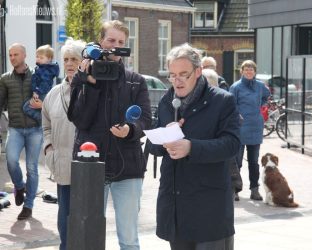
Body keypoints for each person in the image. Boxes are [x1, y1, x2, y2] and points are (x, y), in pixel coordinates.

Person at [67, 20, 152, 250]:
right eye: (111, 40)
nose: (115, 46)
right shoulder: (83, 76)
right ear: (100, 42)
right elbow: (79, 119)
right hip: (91, 167)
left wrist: (130, 130)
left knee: (128, 238)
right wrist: (90, 85)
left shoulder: (136, 81)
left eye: (121, 42)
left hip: (128, 167)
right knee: (88, 236)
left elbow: (145, 119)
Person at [150, 43, 241, 250]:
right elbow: (154, 148)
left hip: (209, 208)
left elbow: (232, 145)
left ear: (198, 72)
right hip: (176, 206)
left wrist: (191, 147)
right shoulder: (167, 101)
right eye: (172, 75)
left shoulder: (222, 101)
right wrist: (166, 136)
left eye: (183, 74)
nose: (177, 81)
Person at [41, 38, 85, 250]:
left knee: (86, 223)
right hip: (63, 167)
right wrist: (49, 149)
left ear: (83, 61)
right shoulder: (53, 94)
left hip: (88, 169)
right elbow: (46, 125)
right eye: (66, 59)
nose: (69, 63)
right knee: (65, 222)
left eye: (74, 59)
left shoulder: (93, 90)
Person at [0, 43, 43, 220]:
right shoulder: (5, 78)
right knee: (11, 161)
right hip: (15, 128)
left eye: (15, 54)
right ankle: (19, 186)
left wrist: (43, 104)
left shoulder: (38, 75)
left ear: (24, 55)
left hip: (35, 129)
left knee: (32, 168)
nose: (12, 58)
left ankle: (29, 206)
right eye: (10, 55)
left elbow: (47, 97)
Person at [229, 60, 270, 201]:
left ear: (255, 71)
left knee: (253, 162)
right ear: (241, 71)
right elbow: (231, 106)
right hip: (240, 127)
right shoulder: (236, 87)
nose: (249, 71)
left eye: (251, 69)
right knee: (237, 161)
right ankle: (234, 190)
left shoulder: (260, 86)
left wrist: (262, 106)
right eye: (246, 69)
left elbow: (266, 95)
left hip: (255, 127)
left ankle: (254, 190)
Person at [23, 44, 59, 125]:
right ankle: (45, 121)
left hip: (42, 93)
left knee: (26, 107)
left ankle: (43, 121)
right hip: (40, 92)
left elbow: (44, 83)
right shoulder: (41, 68)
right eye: (37, 56)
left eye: (41, 57)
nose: (38, 59)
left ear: (49, 59)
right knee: (32, 107)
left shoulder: (46, 70)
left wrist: (36, 91)